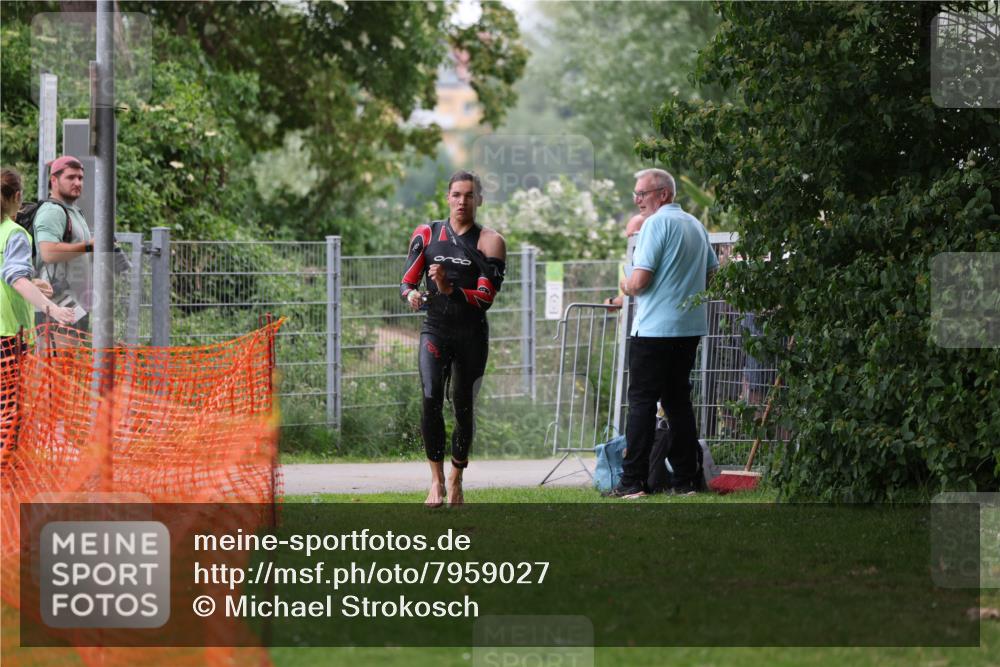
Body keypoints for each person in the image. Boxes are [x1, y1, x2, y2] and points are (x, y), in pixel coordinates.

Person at [607, 168, 719, 498]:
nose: (637, 200)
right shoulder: (696, 225)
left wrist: (625, 285)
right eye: (636, 194)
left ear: (663, 194)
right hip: (688, 328)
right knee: (678, 403)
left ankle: (632, 483)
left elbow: (640, 281)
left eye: (643, 193)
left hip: (655, 329)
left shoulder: (656, 223)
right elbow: (712, 274)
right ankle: (686, 480)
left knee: (641, 402)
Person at [400, 171, 506, 508]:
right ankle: (436, 481)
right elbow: (407, 281)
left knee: (462, 407)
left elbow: (486, 298)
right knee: (430, 398)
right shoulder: (427, 233)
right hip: (435, 329)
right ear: (448, 197)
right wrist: (412, 295)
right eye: (457, 195)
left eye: (469, 195)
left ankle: (457, 477)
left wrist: (449, 289)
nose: (462, 201)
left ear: (479, 200)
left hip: (471, 335)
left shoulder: (491, 241)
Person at [1, 167, 77, 451]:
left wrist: (31, 282)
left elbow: (11, 277)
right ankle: (5, 481)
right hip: (9, 337)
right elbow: (14, 278)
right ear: (18, 197)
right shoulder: (15, 233)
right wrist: (52, 309)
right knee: (8, 413)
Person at [34, 155, 93, 330]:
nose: (77, 182)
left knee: (72, 356)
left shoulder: (74, 211)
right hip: (56, 303)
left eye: (80, 178)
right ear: (54, 180)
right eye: (70, 177)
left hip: (76, 302)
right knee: (58, 357)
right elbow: (48, 252)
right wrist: (90, 246)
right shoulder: (52, 211)